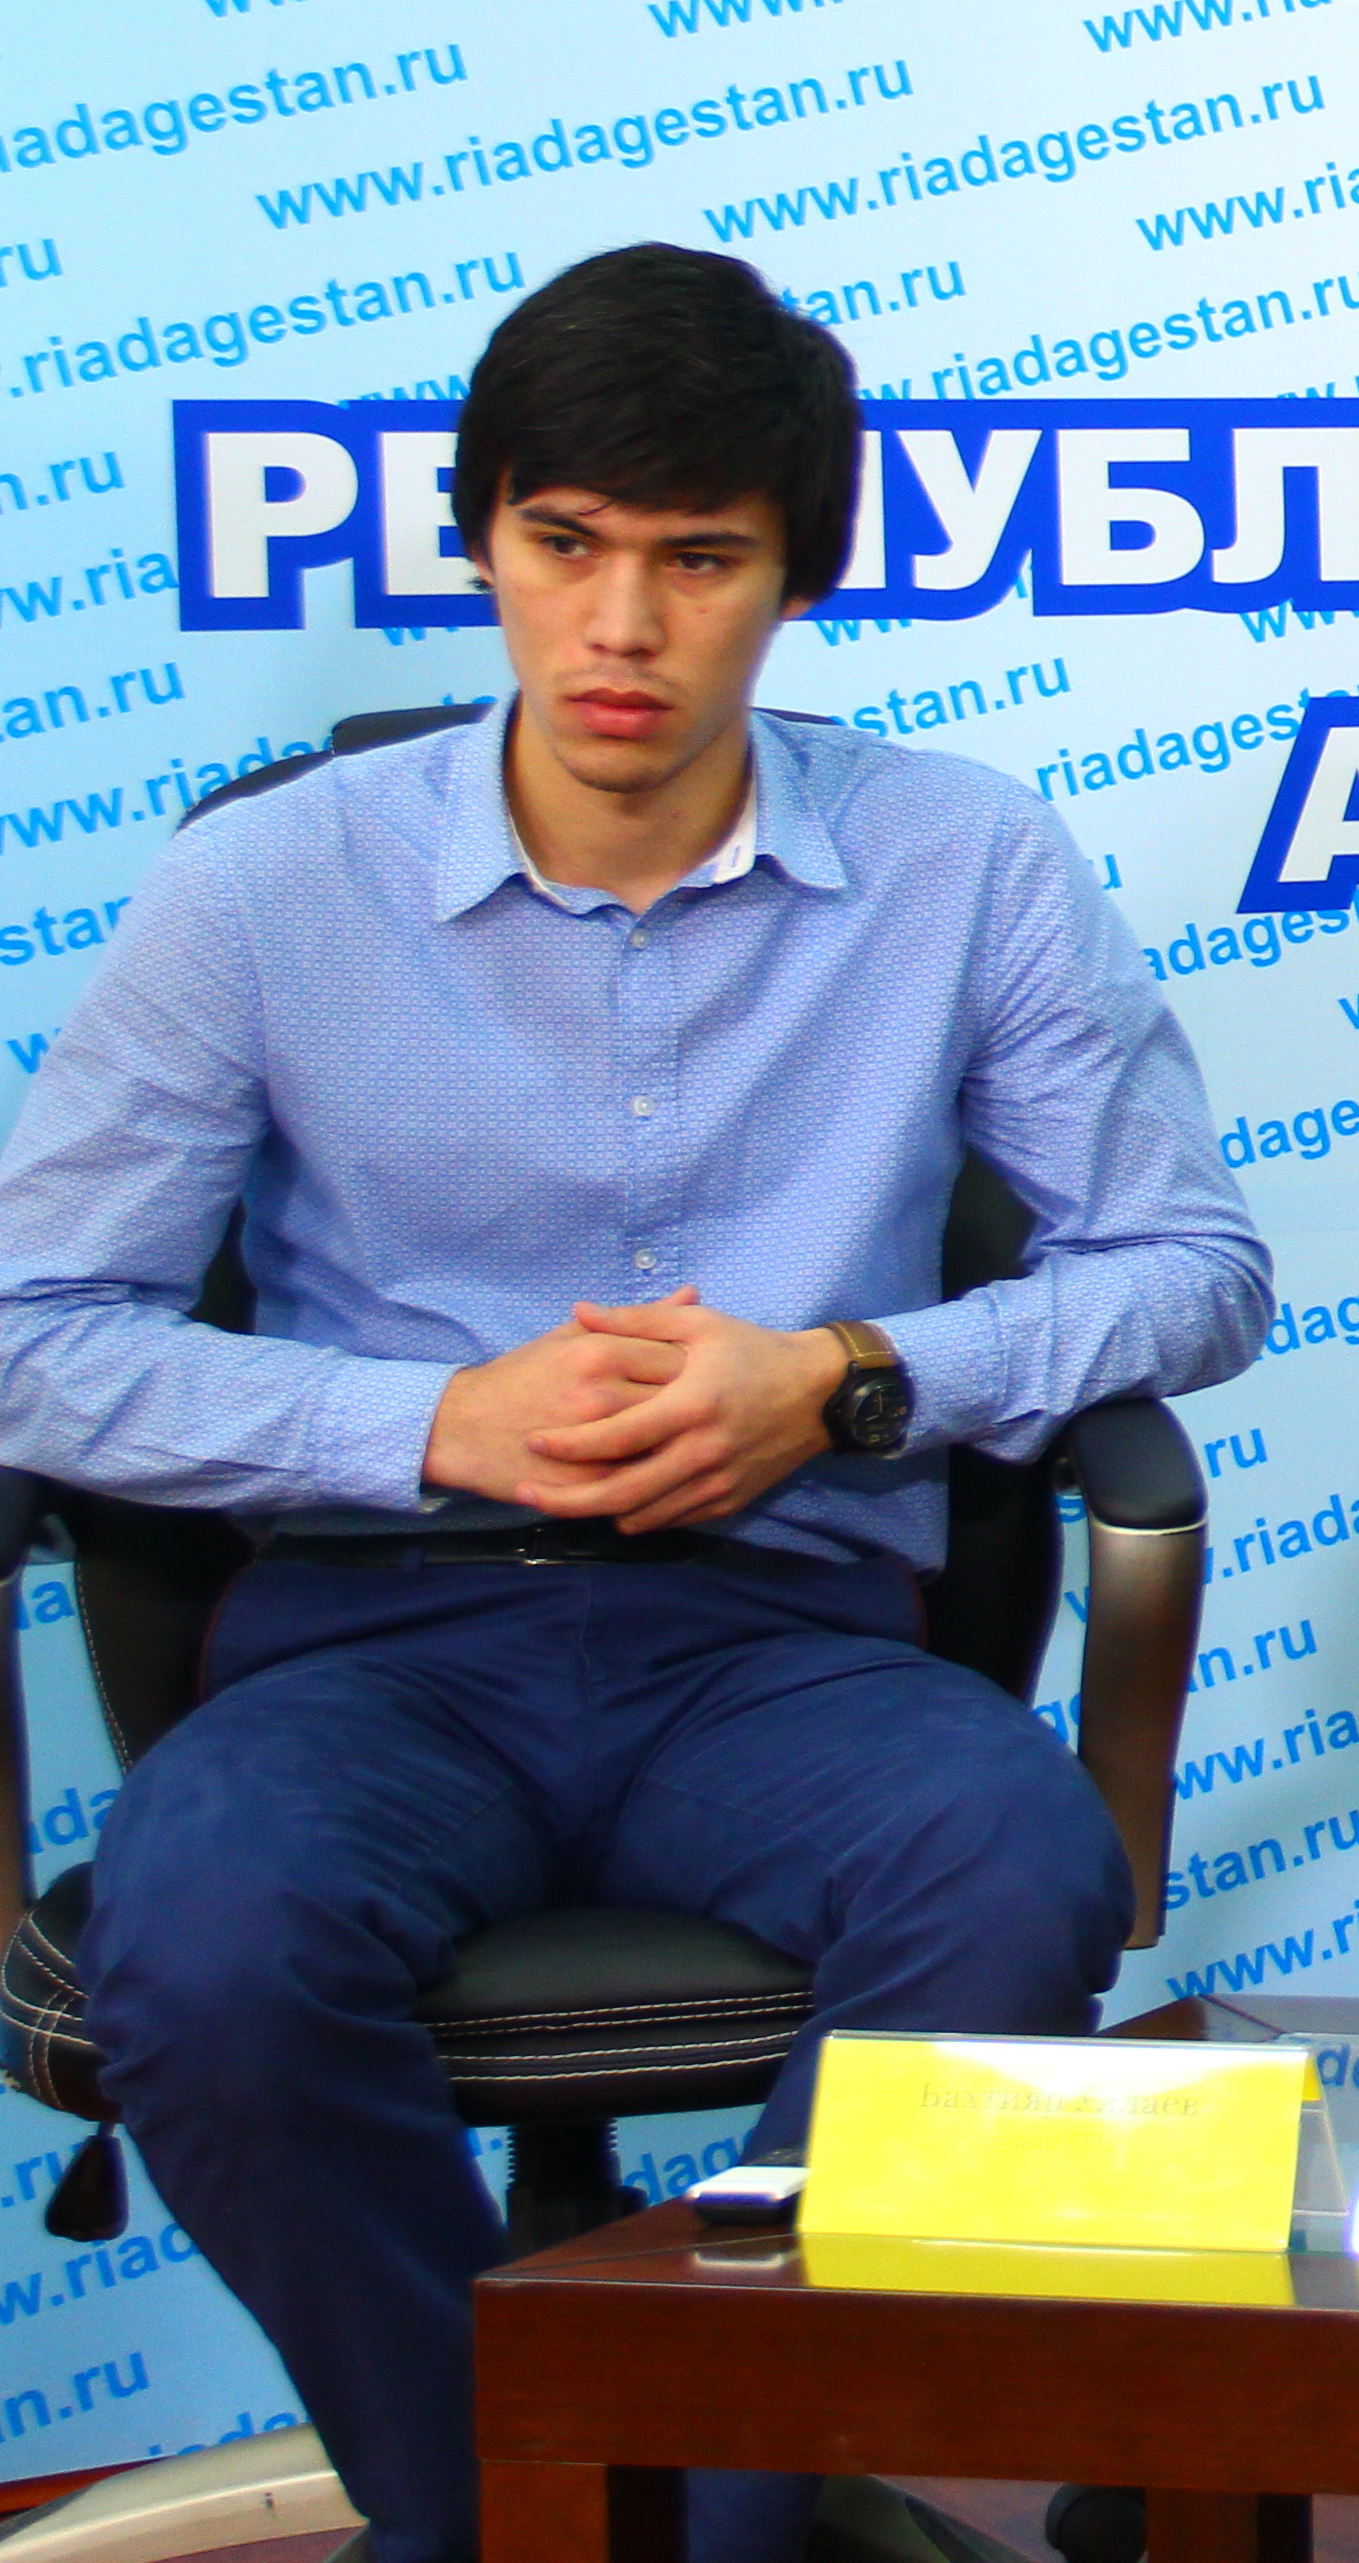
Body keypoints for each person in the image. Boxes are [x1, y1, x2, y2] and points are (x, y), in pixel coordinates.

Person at [0, 246, 1272, 2563]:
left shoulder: (962, 862)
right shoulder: (265, 886)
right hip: (378, 1639)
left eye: (699, 560)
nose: (620, 626)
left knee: (1013, 1879)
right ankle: (514, 2516)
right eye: (564, 542)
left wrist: (852, 1379)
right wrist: (422, 1426)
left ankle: (703, 2514)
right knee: (211, 1948)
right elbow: (32, 1331)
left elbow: (1193, 1272)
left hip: (785, 1636)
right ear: (483, 539)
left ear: (793, 580)